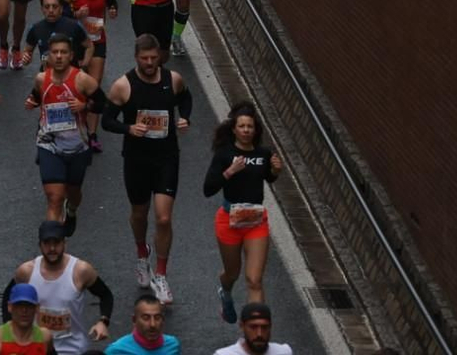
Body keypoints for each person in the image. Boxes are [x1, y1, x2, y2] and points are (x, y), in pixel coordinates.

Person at [102, 34, 193, 306]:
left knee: (163, 218)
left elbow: (185, 98)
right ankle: (142, 254)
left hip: (166, 158)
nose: (150, 63)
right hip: (136, 159)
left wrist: (186, 117)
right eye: (145, 59)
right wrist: (128, 128)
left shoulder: (173, 80)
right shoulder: (123, 86)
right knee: (139, 213)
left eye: (154, 58)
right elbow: (107, 121)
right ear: (136, 58)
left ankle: (161, 275)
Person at [205, 101, 284, 322]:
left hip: (256, 221)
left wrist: (276, 170)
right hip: (229, 220)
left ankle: (255, 328)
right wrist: (230, 171)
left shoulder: (263, 153)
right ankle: (225, 291)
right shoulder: (224, 154)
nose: (246, 130)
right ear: (234, 129)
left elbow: (269, 177)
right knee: (232, 273)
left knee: (254, 280)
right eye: (242, 126)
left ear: (255, 130)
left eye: (250, 126)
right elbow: (208, 189)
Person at [27, 33, 102, 232]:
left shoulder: (83, 80)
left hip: (78, 145)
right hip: (49, 144)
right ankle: (53, 243)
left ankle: (72, 210)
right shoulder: (41, 79)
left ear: (71, 55)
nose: (59, 56)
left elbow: (104, 105)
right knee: (55, 198)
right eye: (55, 52)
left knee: (74, 193)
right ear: (49, 56)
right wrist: (32, 102)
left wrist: (84, 105)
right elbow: (37, 96)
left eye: (63, 52)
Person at [9, 220, 114, 354]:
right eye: (47, 243)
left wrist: (103, 322)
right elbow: (8, 297)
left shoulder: (80, 271)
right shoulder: (26, 271)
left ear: (65, 243)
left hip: (74, 350)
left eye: (57, 243)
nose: (52, 248)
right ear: (40, 245)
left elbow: (105, 295)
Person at [0, 283, 54, 355]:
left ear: (37, 308)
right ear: (10, 307)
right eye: (19, 305)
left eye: (29, 306)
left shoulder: (45, 337)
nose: (24, 310)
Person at [104, 294, 179, 354]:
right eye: (146, 318)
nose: (152, 324)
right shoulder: (116, 351)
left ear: (163, 320)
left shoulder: (173, 345)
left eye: (157, 318)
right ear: (134, 320)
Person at [215, 302, 292, 355]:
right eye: (253, 327)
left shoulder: (284, 352)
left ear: (270, 327)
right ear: (242, 326)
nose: (259, 334)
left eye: (264, 327)